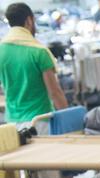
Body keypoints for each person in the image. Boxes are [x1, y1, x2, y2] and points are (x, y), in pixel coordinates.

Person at [0, 3, 69, 132]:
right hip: (39, 122)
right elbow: (54, 92)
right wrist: (69, 119)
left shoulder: (1, 50)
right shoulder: (39, 51)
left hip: (11, 124)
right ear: (29, 20)